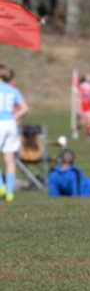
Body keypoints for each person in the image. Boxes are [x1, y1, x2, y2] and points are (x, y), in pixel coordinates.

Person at [0, 65, 28, 202]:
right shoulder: (13, 90)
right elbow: (25, 108)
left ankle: (1, 186)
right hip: (11, 124)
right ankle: (10, 193)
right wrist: (14, 117)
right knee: (9, 159)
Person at [77, 73, 90, 139]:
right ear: (85, 78)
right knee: (82, 122)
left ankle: (88, 136)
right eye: (88, 76)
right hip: (83, 105)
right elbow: (79, 97)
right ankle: (77, 129)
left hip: (89, 105)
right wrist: (79, 107)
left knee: (89, 121)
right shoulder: (82, 86)